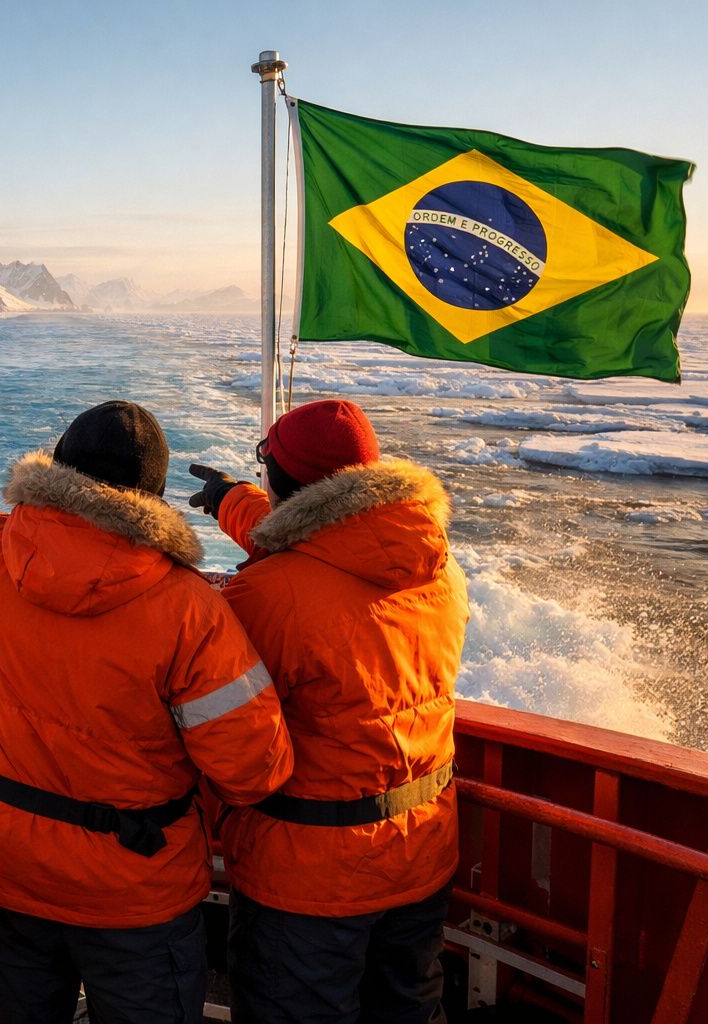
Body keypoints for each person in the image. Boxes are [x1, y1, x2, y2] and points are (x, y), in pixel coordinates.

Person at [0, 400, 293, 1024]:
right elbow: (251, 771)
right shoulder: (191, 611)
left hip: (7, 866)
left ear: (58, 468)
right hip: (137, 897)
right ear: (151, 497)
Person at [187, 399, 468, 1024]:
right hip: (420, 849)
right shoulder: (436, 564)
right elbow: (336, 547)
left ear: (281, 484)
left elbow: (294, 587)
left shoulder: (265, 594)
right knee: (408, 1009)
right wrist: (234, 502)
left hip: (309, 878)